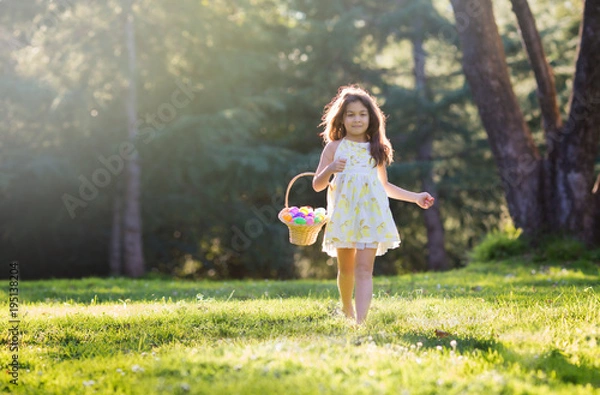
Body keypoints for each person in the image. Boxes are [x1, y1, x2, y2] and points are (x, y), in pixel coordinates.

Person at [312, 85, 435, 325]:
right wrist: (330, 169)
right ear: (341, 118)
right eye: (350, 114)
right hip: (345, 215)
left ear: (371, 118)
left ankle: (361, 322)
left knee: (364, 270)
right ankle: (346, 308)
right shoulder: (334, 147)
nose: (356, 119)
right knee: (346, 270)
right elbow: (317, 185)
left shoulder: (376, 149)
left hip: (370, 216)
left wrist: (416, 197)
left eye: (362, 114)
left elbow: (385, 187)